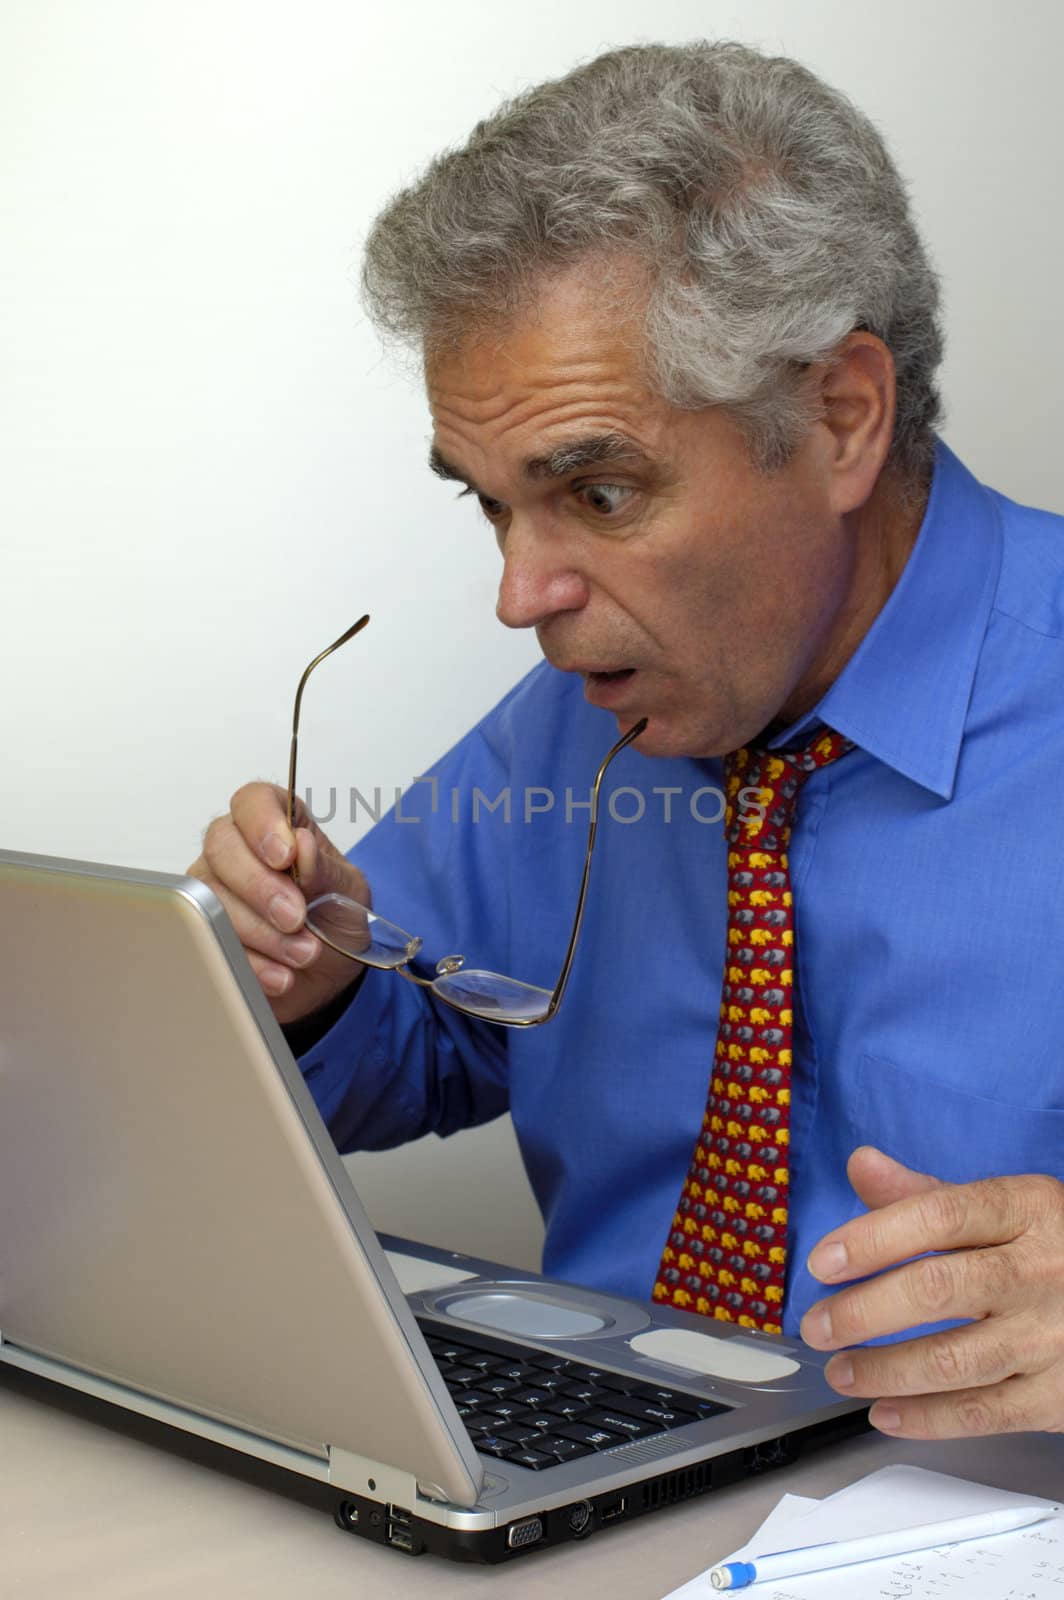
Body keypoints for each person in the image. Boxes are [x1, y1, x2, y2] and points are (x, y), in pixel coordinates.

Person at [189, 41, 1064, 1440]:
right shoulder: (580, 720)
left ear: (840, 417)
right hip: (590, 1505)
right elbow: (422, 1040)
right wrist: (313, 980)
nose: (519, 595)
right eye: (489, 506)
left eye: (596, 492)